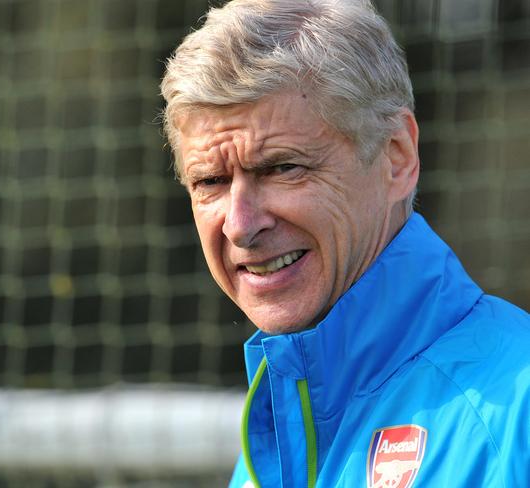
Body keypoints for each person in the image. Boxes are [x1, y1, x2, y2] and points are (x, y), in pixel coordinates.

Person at [160, 0, 530, 486]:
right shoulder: (272, 446)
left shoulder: (516, 412)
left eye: (281, 168)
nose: (240, 225)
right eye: (209, 181)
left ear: (397, 157)